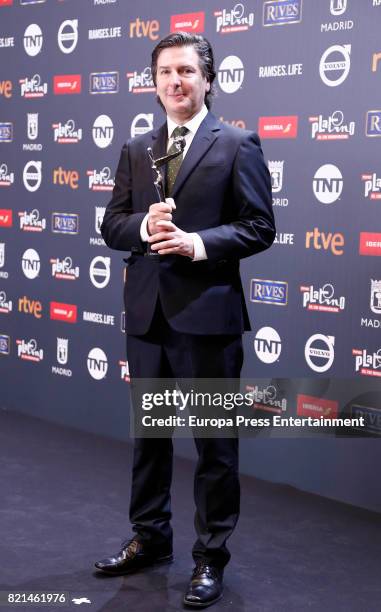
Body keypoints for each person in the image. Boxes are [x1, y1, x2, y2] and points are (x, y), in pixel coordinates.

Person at [96, 32, 275, 608]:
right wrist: (146, 230)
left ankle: (209, 559)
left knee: (214, 446)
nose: (176, 82)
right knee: (149, 440)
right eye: (166, 73)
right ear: (154, 84)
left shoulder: (238, 144)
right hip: (147, 317)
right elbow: (112, 224)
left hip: (208, 319)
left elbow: (258, 227)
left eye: (187, 72)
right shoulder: (135, 147)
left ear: (207, 80)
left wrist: (197, 242)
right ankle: (150, 539)